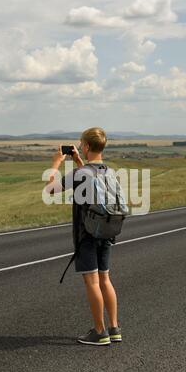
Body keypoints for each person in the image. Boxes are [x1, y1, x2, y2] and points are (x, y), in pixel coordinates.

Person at [45, 127, 122, 346]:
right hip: (107, 231)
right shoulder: (109, 171)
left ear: (87, 146)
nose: (79, 147)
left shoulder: (80, 174)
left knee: (92, 281)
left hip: (86, 234)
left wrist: (56, 163)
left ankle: (99, 332)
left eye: (81, 144)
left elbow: (50, 189)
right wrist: (80, 161)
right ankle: (114, 328)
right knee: (105, 279)